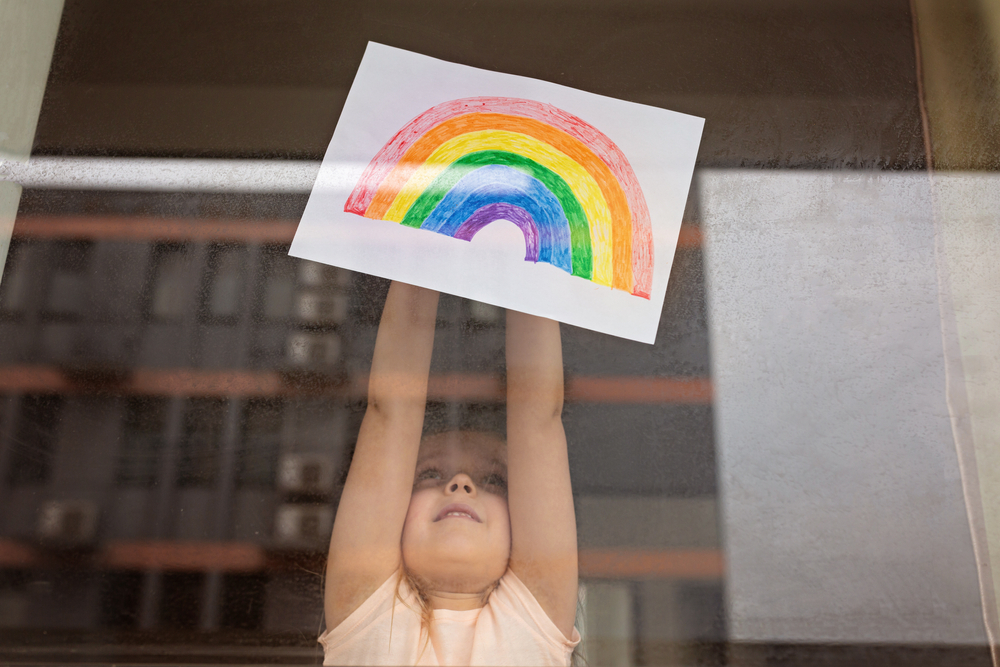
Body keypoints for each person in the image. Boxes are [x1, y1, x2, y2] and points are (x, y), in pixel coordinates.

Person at [320, 281, 579, 665]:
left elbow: (538, 416)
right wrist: (425, 230)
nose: (461, 484)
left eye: (493, 481)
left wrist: (531, 240)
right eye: (428, 475)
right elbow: (391, 410)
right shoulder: (366, 616)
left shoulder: (535, 623)